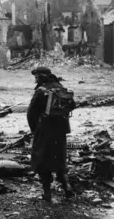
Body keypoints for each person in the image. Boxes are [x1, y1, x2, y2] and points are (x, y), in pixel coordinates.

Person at [27, 66, 75, 202]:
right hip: (61, 131)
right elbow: (72, 105)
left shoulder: (41, 91)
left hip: (45, 130)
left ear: (41, 77)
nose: (35, 80)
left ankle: (47, 194)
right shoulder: (60, 87)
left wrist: (34, 130)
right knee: (60, 158)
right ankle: (67, 188)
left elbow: (31, 113)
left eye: (36, 77)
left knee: (42, 159)